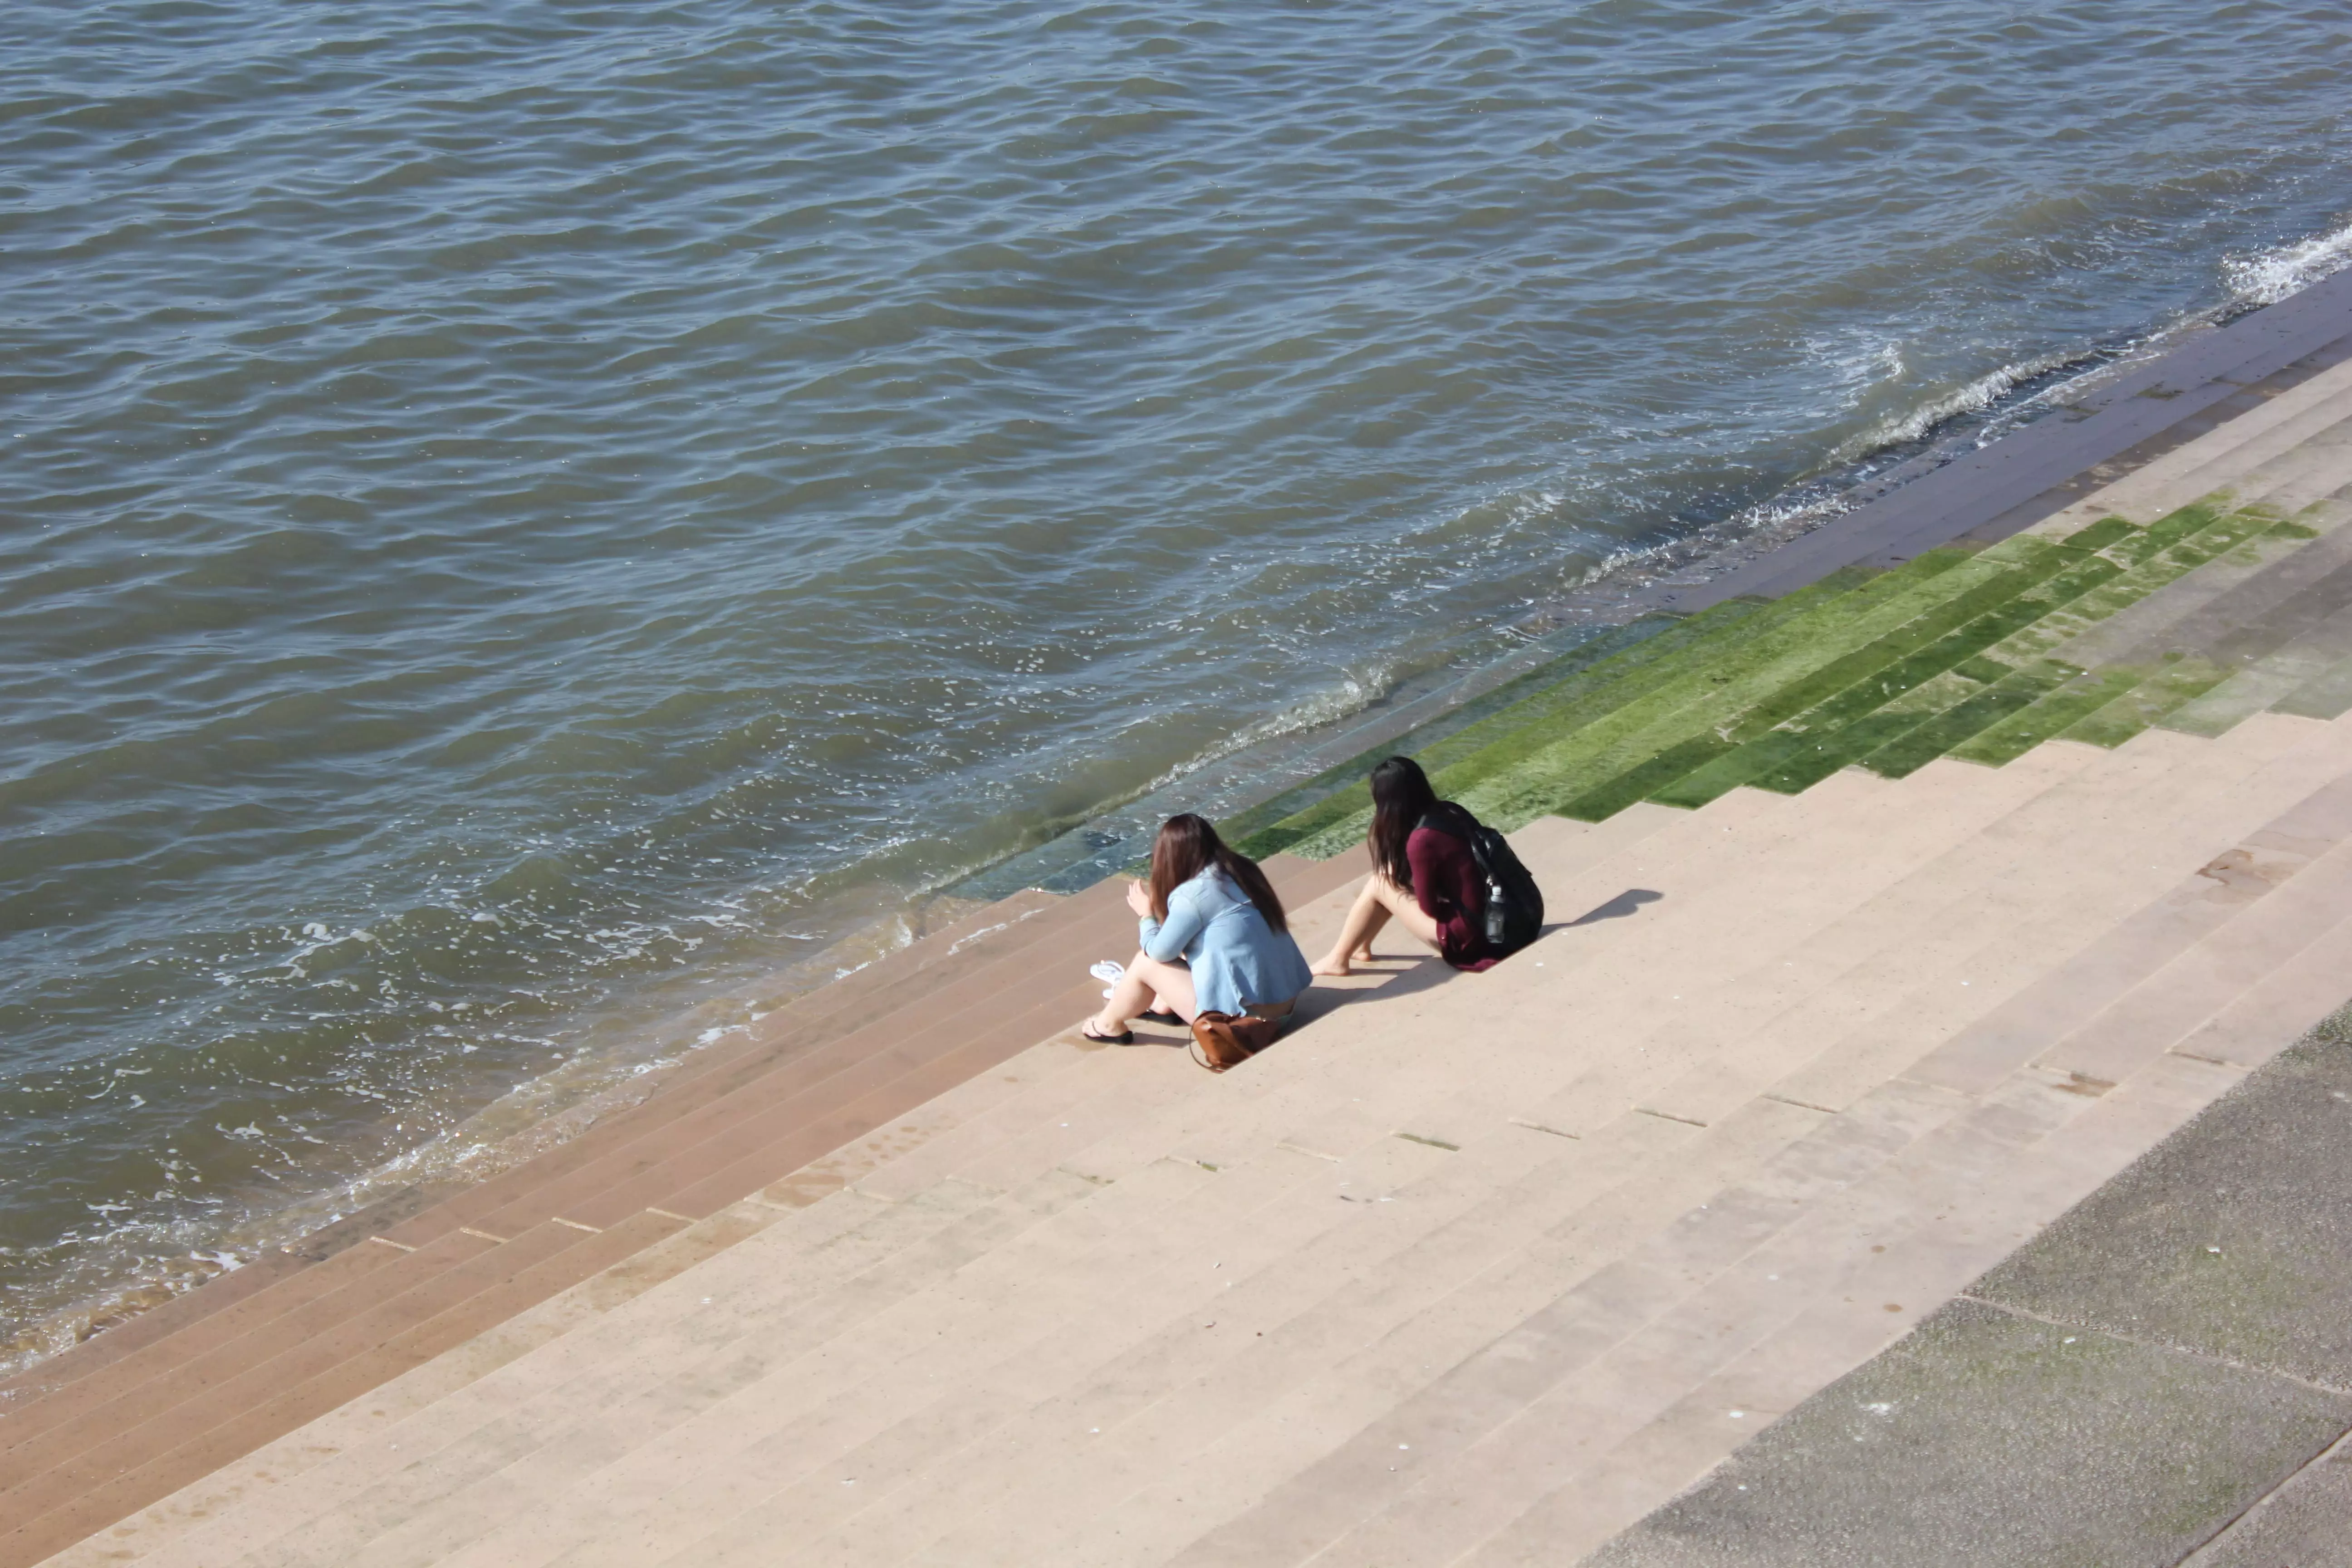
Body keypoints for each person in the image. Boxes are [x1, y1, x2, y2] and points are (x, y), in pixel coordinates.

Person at [1083, 813, 1313, 1045]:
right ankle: (1163, 1004)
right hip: (1287, 1008)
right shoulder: (1243, 869)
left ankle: (1107, 1025)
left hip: (1246, 1024)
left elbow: (1158, 952)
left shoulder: (1193, 895)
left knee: (1145, 961)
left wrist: (1146, 915)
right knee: (1199, 941)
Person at [1312, 755, 1498, 976]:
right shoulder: (1451, 811)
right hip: (1503, 921)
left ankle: (1337, 959)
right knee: (1390, 875)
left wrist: (1417, 890)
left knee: (1380, 882)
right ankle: (1361, 946)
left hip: (1472, 940)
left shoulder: (1422, 840)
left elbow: (1430, 909)